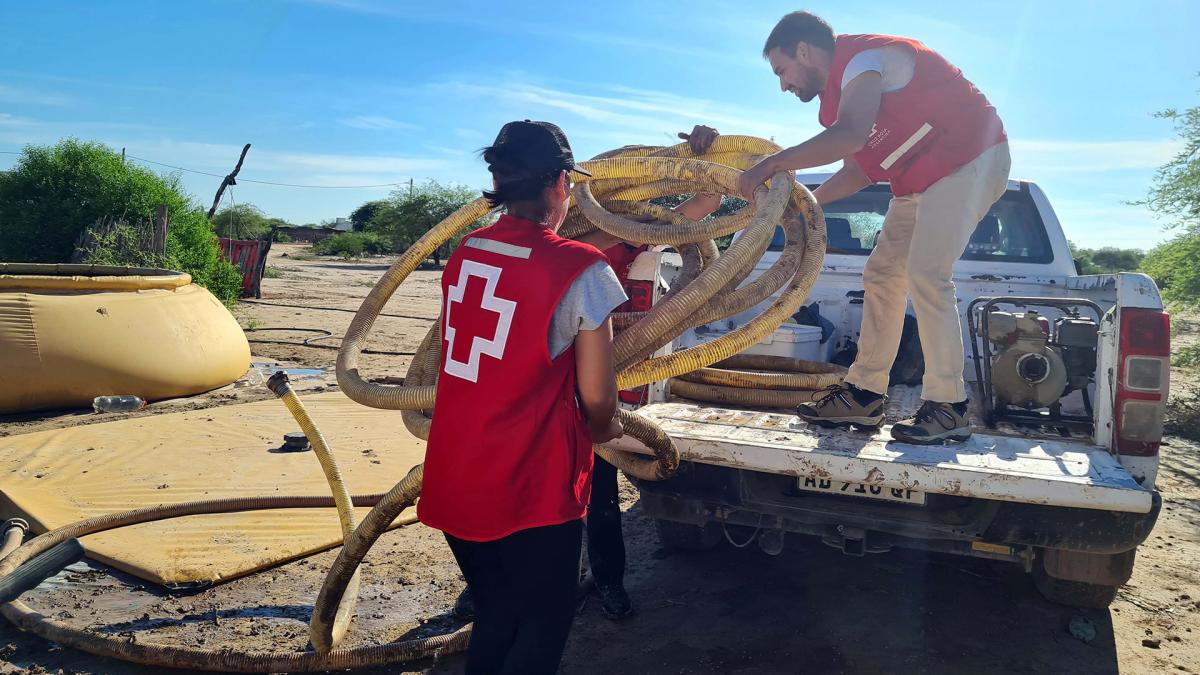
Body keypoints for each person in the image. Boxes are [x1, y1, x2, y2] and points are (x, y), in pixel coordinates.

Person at [452, 126, 727, 623]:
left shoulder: (477, 248)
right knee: (543, 543)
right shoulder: (568, 252)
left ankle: (605, 583)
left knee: (596, 498)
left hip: (499, 420)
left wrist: (701, 169)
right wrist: (603, 420)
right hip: (556, 412)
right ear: (562, 184)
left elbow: (677, 222)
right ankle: (497, 596)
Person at [707, 10, 1011, 444]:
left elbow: (848, 137)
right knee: (882, 274)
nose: (783, 84)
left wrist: (772, 164)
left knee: (926, 271)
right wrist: (797, 206)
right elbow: (858, 171)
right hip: (918, 183)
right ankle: (865, 394)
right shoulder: (839, 102)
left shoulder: (863, 61)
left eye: (782, 70)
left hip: (971, 158)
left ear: (804, 51)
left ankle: (949, 405)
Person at [418, 120, 625, 675]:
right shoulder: (583, 268)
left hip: (455, 471)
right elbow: (598, 395)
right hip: (530, 484)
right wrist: (607, 429)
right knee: (542, 624)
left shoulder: (466, 252)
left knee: (496, 613)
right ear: (561, 183)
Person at [572, 125, 724, 619]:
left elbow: (699, 207)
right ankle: (510, 587)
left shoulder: (627, 238)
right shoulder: (546, 241)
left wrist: (709, 156)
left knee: (597, 494)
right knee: (532, 496)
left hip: (592, 382)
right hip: (537, 389)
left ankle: (608, 581)